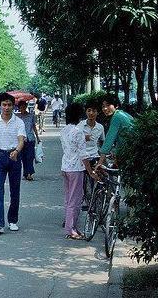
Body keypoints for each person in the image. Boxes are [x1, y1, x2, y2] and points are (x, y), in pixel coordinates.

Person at [0, 92, 26, 234]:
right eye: (4, 105)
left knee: (15, 191)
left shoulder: (19, 122)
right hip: (0, 157)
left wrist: (17, 151)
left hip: (14, 158)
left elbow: (21, 140)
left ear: (13, 106)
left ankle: (13, 220)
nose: (7, 107)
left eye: (9, 105)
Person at [60, 103, 97, 240]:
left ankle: (72, 227)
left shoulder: (64, 130)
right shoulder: (78, 131)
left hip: (66, 167)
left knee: (69, 199)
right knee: (75, 200)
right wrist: (91, 171)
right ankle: (70, 229)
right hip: (76, 169)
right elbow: (83, 155)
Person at [96, 94, 134, 167]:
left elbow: (109, 139)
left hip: (130, 154)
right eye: (103, 106)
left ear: (116, 105)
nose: (105, 109)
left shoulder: (116, 117)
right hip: (133, 152)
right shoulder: (123, 114)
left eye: (108, 105)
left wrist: (100, 162)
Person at [16, 100, 41, 181]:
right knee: (23, 157)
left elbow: (34, 126)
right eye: (20, 108)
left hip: (30, 139)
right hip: (21, 140)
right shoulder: (17, 117)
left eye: (23, 107)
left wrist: (38, 138)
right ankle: (26, 173)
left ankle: (29, 173)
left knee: (30, 156)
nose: (22, 109)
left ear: (26, 107)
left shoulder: (31, 116)